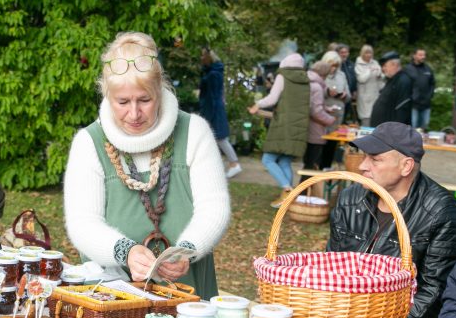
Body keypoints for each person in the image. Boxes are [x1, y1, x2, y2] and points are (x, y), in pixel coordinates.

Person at [64, 32, 230, 299]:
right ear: (108, 96)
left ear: (160, 92)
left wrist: (186, 250)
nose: (134, 114)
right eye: (123, 102)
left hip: (188, 292)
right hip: (114, 296)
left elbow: (214, 207)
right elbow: (82, 223)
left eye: (144, 100)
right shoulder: (88, 143)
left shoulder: (194, 131)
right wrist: (125, 252)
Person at [327, 122, 456, 318]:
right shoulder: (350, 198)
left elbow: (431, 295)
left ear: (406, 166)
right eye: (364, 157)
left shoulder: (441, 211)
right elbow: (329, 266)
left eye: (375, 159)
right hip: (345, 317)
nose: (362, 166)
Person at [248, 53, 310, 208]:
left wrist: (257, 104)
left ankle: (287, 189)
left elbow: (272, 98)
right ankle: (288, 199)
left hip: (283, 124)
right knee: (284, 161)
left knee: (267, 160)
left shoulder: (283, 76)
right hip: (299, 125)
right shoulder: (305, 79)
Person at [199, 47, 241, 178]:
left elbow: (211, 97)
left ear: (208, 58)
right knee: (215, 139)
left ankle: (234, 164)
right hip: (214, 109)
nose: (201, 58)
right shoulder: (213, 72)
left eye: (203, 56)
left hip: (213, 110)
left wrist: (208, 115)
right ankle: (220, 166)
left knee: (220, 138)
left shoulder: (213, 74)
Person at [301, 61, 335, 180]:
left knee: (307, 162)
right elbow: (316, 112)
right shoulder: (317, 87)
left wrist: (326, 108)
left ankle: (304, 188)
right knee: (311, 165)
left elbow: (311, 105)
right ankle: (305, 189)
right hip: (316, 130)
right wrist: (330, 120)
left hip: (306, 127)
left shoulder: (307, 82)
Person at [319, 51, 349, 170]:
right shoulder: (320, 75)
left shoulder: (342, 75)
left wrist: (345, 95)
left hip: (337, 116)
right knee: (321, 147)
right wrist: (327, 92)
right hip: (323, 116)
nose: (334, 68)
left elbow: (349, 96)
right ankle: (319, 171)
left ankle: (327, 171)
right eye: (331, 65)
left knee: (332, 147)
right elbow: (314, 94)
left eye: (336, 66)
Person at [370, 51, 412, 127]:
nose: (383, 68)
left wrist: (394, 131)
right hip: (381, 129)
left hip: (390, 131)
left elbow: (402, 110)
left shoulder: (403, 81)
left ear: (394, 65)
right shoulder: (393, 79)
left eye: (385, 66)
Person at [404, 48, 435, 129]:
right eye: (420, 55)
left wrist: (430, 96)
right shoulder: (408, 69)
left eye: (424, 55)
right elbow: (404, 85)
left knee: (424, 128)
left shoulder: (428, 69)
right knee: (413, 128)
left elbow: (432, 84)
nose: (423, 57)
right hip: (413, 105)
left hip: (426, 104)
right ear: (414, 56)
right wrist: (411, 97)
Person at [355, 45, 385, 127]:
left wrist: (379, 74)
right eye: (366, 53)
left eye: (370, 53)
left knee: (376, 118)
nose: (369, 55)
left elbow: (383, 76)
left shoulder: (375, 63)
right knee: (366, 120)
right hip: (364, 97)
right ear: (362, 54)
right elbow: (361, 79)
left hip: (375, 95)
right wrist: (369, 70)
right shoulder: (358, 65)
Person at [336, 44, 357, 123]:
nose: (344, 54)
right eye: (342, 52)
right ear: (338, 53)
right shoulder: (336, 65)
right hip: (339, 95)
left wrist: (354, 90)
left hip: (349, 95)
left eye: (346, 52)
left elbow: (354, 78)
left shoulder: (351, 64)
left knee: (345, 116)